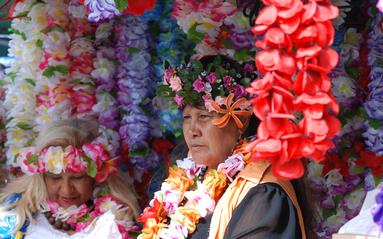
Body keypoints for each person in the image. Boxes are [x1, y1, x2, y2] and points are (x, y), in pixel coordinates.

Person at [138, 55, 308, 239]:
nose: (193, 131)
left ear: (240, 120)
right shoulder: (185, 184)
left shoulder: (263, 192)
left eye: (204, 116)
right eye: (187, 118)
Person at [0, 118, 140, 239]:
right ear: (41, 175)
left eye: (77, 177)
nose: (67, 189)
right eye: (55, 177)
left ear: (97, 175)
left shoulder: (118, 217)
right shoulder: (16, 214)